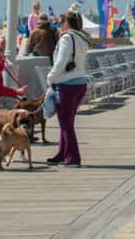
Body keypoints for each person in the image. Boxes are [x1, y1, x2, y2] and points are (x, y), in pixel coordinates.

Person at [46, 11, 92, 167]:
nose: (59, 27)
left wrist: (50, 77)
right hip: (80, 84)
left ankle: (73, 158)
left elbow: (60, 62)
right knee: (67, 122)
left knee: (66, 124)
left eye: (60, 23)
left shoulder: (67, 38)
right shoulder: (82, 38)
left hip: (66, 85)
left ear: (66, 23)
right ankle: (62, 153)